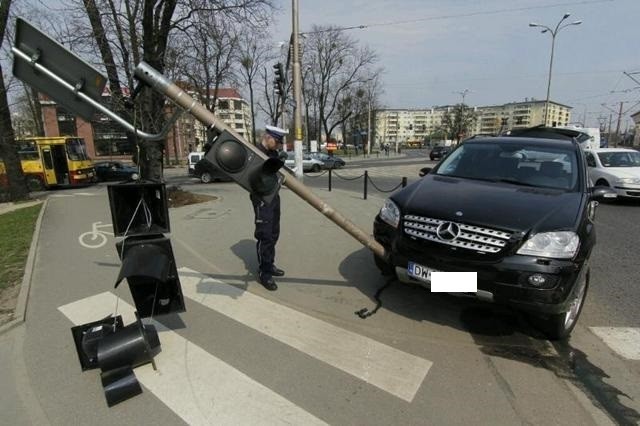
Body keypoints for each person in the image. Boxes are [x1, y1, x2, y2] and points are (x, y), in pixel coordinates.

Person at [252, 125, 288, 291]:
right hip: (261, 199)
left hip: (274, 197)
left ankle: (270, 264)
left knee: (274, 232)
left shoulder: (272, 153)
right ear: (268, 137)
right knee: (264, 235)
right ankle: (264, 272)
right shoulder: (255, 152)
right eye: (277, 141)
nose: (279, 145)